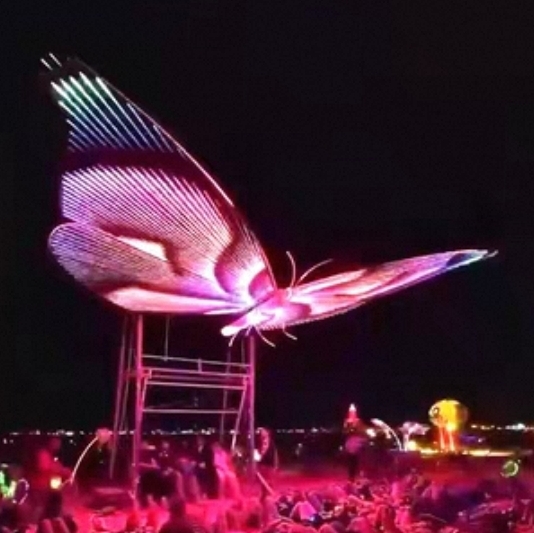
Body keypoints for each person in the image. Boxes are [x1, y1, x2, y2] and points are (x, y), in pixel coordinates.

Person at [27, 438, 70, 523]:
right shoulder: (43, 453)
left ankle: (50, 522)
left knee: (52, 506)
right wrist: (59, 469)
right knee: (40, 508)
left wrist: (61, 470)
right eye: (56, 442)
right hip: (40, 487)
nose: (58, 445)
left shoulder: (50, 455)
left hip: (48, 487)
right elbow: (44, 467)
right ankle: (35, 524)